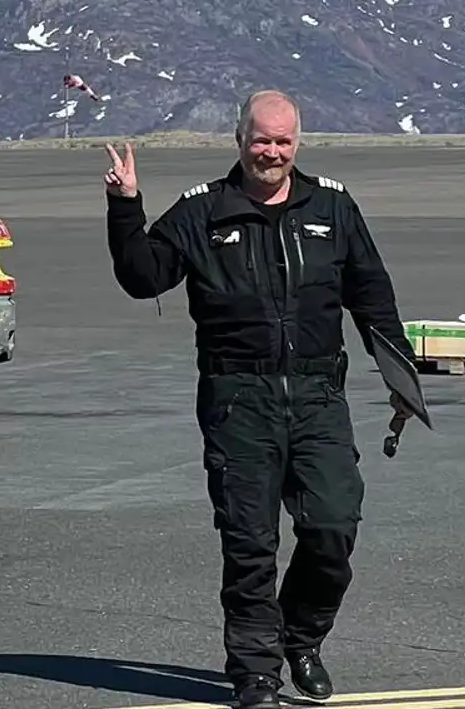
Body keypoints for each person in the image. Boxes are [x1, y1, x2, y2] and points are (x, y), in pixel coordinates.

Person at [105, 90, 424, 709]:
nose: (271, 152)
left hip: (315, 395)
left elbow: (372, 298)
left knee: (333, 524)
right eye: (261, 140)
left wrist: (401, 380)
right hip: (238, 399)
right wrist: (124, 207)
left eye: (282, 142)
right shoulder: (203, 212)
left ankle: (301, 637)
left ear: (296, 143)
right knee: (250, 544)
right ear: (239, 139)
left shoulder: (332, 206)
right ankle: (256, 674)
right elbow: (142, 278)